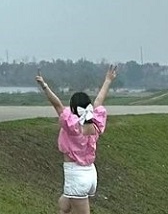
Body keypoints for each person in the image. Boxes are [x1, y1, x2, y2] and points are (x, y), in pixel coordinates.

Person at [36, 66, 117, 211]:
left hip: (75, 174)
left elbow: (57, 104)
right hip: (90, 173)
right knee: (65, 207)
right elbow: (99, 100)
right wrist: (108, 80)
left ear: (73, 109)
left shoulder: (72, 126)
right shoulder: (95, 122)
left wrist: (44, 85)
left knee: (72, 204)